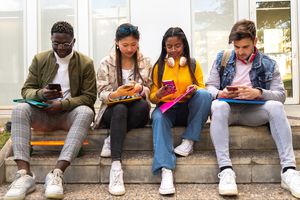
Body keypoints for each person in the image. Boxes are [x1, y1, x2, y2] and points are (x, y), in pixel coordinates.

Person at [206, 19, 300, 198]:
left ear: (255, 42)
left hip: (253, 113)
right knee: (217, 105)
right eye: (237, 47)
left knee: (276, 107)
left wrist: (258, 92)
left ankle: (289, 171)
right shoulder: (222, 58)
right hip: (228, 112)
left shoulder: (268, 63)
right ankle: (226, 170)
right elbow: (209, 88)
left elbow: (280, 95)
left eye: (245, 47)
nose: (240, 52)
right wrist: (221, 94)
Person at [3, 21, 96, 200]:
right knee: (19, 109)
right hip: (43, 114)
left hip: (68, 114)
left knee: (86, 112)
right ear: (51, 40)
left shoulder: (85, 63)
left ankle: (57, 174)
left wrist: (63, 104)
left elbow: (89, 97)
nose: (60, 47)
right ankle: (24, 175)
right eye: (56, 43)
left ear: (73, 41)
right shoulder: (40, 59)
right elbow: (26, 90)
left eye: (65, 44)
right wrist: (41, 94)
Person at [150, 27, 212, 195]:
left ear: (183, 45)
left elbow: (202, 88)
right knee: (158, 118)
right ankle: (166, 170)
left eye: (177, 46)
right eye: (169, 46)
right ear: (164, 47)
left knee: (204, 95)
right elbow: (152, 98)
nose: (173, 50)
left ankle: (189, 141)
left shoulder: (192, 64)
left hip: (187, 109)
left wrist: (194, 88)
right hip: (167, 108)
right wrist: (159, 94)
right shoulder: (159, 67)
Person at [93, 23, 152, 196]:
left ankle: (112, 138)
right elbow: (101, 92)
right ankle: (116, 167)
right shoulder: (107, 62)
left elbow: (150, 89)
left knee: (141, 104)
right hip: (112, 110)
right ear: (116, 42)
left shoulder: (145, 61)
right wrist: (115, 94)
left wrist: (140, 89)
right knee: (120, 108)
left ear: (138, 42)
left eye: (133, 45)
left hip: (137, 110)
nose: (129, 49)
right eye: (125, 45)